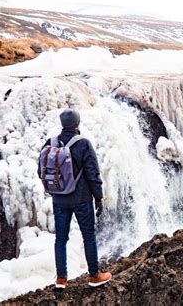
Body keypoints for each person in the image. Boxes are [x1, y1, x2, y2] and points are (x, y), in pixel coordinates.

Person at [38, 109, 111, 289]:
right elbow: (93, 173)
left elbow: (41, 171)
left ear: (62, 124)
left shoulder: (50, 143)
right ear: (77, 124)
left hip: (59, 199)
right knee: (89, 236)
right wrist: (99, 198)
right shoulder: (83, 144)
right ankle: (94, 276)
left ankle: (61, 279)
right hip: (81, 198)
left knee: (61, 239)